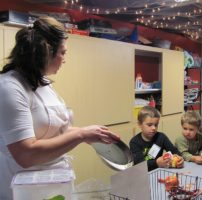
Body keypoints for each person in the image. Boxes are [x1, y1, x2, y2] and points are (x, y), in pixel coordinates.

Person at [0, 16, 120, 200]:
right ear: (45, 52)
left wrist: (91, 134)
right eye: (62, 53)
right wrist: (81, 135)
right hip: (25, 190)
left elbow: (55, 129)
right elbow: (25, 154)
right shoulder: (9, 87)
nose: (65, 59)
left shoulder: (42, 82)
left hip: (55, 183)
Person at [129, 106, 184, 171]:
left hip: (159, 171)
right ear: (139, 124)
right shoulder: (134, 142)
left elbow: (175, 151)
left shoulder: (161, 137)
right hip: (143, 175)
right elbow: (139, 165)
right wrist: (156, 163)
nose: (154, 128)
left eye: (156, 125)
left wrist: (180, 158)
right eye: (149, 125)